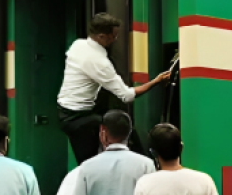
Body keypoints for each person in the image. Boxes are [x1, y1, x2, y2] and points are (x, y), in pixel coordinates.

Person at [56, 13, 170, 164]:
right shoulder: (99, 62)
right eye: (113, 36)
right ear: (102, 36)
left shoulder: (78, 45)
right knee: (116, 134)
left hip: (67, 111)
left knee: (90, 160)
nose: (115, 39)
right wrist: (157, 81)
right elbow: (127, 95)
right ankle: (145, 164)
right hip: (78, 118)